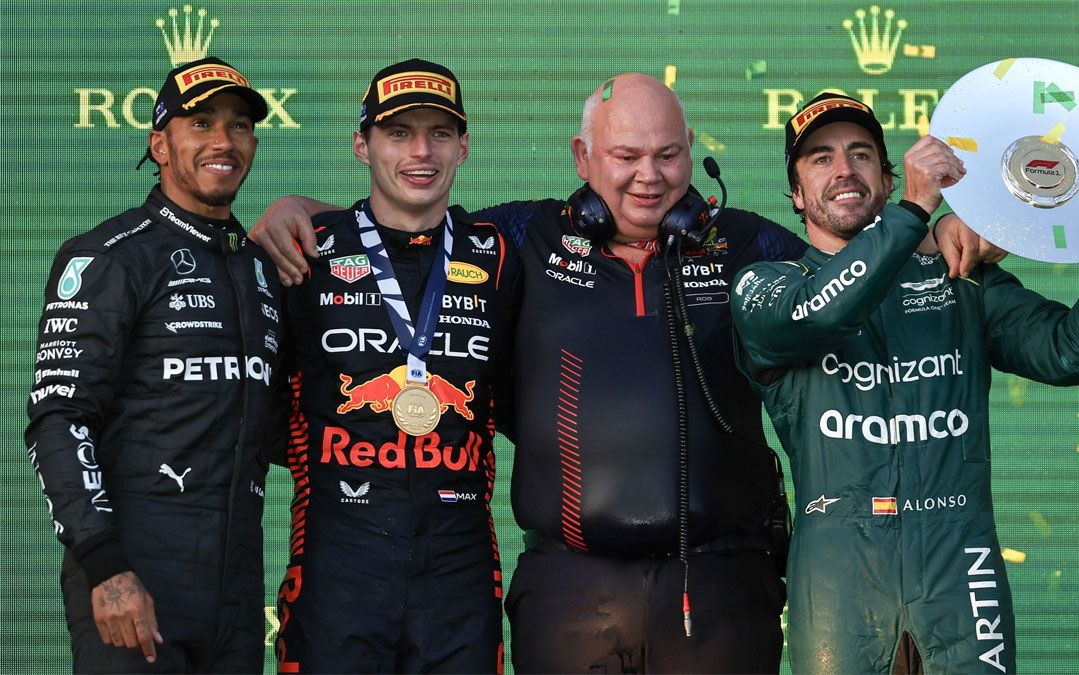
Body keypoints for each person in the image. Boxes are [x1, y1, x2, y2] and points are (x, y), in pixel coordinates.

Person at [251, 73, 996, 674]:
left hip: (722, 588)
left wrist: (936, 233)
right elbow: (412, 218)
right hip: (569, 594)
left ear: (691, 153)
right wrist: (299, 209)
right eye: (626, 156)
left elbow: (840, 253)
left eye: (668, 155)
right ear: (583, 158)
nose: (650, 176)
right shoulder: (526, 235)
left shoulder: (741, 241)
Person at [729, 92, 1079, 674]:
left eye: (861, 154)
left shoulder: (960, 276)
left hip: (963, 568)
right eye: (820, 158)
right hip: (839, 575)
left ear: (887, 180)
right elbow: (823, 312)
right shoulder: (766, 286)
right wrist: (914, 217)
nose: (843, 169)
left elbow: (1069, 354)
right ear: (796, 195)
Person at [25, 57, 284, 673]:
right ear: (160, 144)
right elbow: (58, 419)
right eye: (201, 123)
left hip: (237, 588)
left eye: (240, 125)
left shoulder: (260, 268)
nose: (224, 141)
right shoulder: (111, 256)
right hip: (135, 576)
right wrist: (106, 567)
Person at [271, 59, 518, 674]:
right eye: (398, 132)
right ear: (363, 145)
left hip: (459, 566)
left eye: (439, 133)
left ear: (464, 146)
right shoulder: (304, 248)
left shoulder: (504, 250)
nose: (421, 151)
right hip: (338, 561)